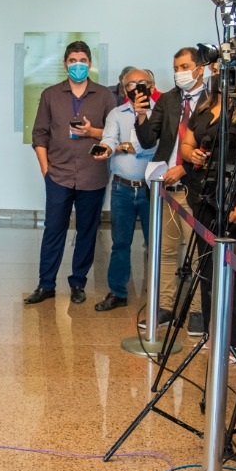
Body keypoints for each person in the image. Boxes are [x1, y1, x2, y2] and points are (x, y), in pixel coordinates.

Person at [25, 40, 116, 305]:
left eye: (83, 61)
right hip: (59, 174)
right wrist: (45, 169)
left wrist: (91, 132)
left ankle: (78, 283)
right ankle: (46, 284)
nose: (78, 65)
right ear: (65, 63)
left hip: (93, 174)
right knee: (54, 229)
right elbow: (39, 134)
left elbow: (113, 134)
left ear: (90, 64)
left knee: (87, 231)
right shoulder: (51, 95)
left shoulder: (104, 96)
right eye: (73, 60)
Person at [177, 59, 236, 348]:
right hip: (203, 196)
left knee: (235, 272)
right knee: (207, 268)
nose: (221, 77)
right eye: (218, 71)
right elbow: (186, 143)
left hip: (235, 198)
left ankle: (234, 340)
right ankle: (213, 332)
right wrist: (192, 155)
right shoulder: (203, 109)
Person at [133, 47, 210, 329]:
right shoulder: (168, 100)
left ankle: (198, 312)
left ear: (200, 69)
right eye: (176, 67)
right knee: (165, 251)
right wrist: (141, 116)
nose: (179, 73)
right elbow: (148, 139)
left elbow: (213, 145)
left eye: (185, 66)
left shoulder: (214, 100)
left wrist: (186, 167)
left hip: (196, 188)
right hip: (166, 187)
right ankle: (165, 307)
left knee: (197, 253)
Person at [92, 67, 158, 310]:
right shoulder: (116, 114)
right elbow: (109, 138)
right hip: (122, 189)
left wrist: (135, 148)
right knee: (120, 243)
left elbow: (158, 147)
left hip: (152, 190)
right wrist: (108, 149)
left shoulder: (160, 113)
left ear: (152, 86)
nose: (138, 87)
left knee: (156, 244)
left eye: (143, 82)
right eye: (132, 84)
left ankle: (159, 295)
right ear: (123, 88)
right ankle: (117, 292)